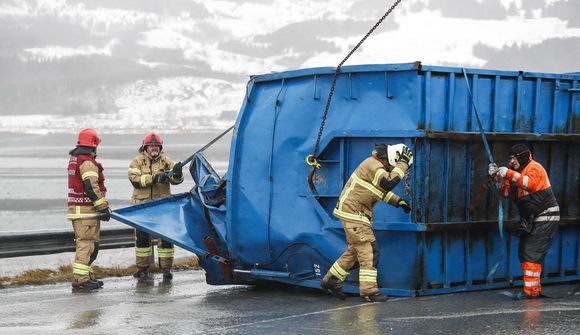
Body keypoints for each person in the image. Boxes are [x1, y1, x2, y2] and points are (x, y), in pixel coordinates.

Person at [321, 143, 413, 302]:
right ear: (392, 160)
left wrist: (398, 201)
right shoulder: (373, 165)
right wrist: (403, 163)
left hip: (353, 213)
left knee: (356, 252)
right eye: (395, 165)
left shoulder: (374, 166)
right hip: (354, 214)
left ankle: (331, 281)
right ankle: (369, 291)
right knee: (370, 250)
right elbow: (387, 183)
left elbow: (378, 191)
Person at [488, 144, 559, 299]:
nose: (512, 161)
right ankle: (533, 289)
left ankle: (531, 292)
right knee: (525, 251)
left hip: (546, 215)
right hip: (532, 218)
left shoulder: (535, 168)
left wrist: (508, 173)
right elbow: (505, 192)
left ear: (522, 156)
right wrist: (497, 177)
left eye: (514, 157)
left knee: (531, 251)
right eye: (510, 158)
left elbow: (529, 184)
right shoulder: (515, 172)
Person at [128, 132, 184, 281]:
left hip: (163, 207)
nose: (154, 148)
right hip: (142, 207)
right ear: (145, 147)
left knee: (166, 239)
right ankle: (142, 269)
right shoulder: (137, 161)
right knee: (142, 240)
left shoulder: (167, 162)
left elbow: (176, 181)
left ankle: (166, 269)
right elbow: (135, 180)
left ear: (160, 147)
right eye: (151, 146)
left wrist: (177, 174)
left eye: (157, 146)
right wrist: (154, 178)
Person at [67, 128, 112, 291]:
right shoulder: (87, 162)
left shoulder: (75, 159)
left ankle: (86, 276)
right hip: (86, 211)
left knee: (91, 245)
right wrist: (103, 207)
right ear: (94, 145)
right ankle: (80, 279)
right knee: (86, 245)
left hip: (81, 210)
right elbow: (91, 187)